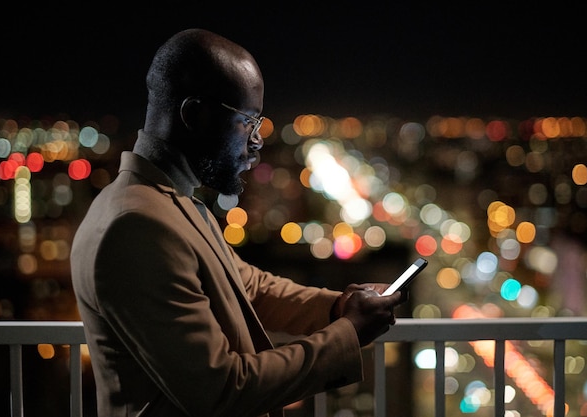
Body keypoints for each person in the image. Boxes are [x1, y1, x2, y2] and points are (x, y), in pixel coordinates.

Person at [70, 28, 407, 417]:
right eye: (248, 122)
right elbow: (222, 389)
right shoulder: (136, 225)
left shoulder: (167, 202)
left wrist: (342, 306)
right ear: (194, 115)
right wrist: (348, 334)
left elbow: (248, 287)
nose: (258, 141)